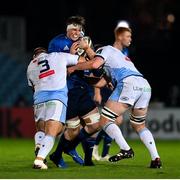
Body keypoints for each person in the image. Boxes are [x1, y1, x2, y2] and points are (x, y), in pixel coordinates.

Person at [68, 26, 162, 168]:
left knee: (104, 120)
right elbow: (100, 82)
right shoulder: (120, 57)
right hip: (145, 86)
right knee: (139, 125)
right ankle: (156, 158)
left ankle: (125, 149)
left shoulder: (105, 49)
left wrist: (74, 67)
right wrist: (85, 77)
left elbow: (94, 63)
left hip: (129, 83)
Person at [48, 15, 101, 167]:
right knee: (73, 129)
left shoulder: (84, 42)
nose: (76, 32)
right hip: (67, 90)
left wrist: (87, 49)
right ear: (67, 29)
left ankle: (79, 154)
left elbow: (96, 67)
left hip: (83, 89)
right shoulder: (57, 42)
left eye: (79, 30)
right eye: (73, 29)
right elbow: (54, 66)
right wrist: (71, 56)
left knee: (96, 125)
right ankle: (57, 155)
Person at [27, 47, 83, 169]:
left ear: (34, 56)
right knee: (53, 132)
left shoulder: (30, 65)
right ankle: (39, 160)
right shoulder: (58, 55)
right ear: (45, 53)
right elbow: (80, 60)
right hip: (56, 98)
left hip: (38, 99)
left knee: (42, 130)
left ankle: (39, 145)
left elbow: (32, 87)